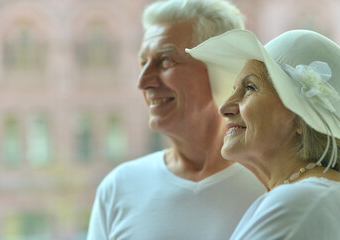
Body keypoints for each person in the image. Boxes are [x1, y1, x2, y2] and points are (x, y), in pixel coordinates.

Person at [86, 1, 265, 239]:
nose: (143, 82)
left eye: (166, 61)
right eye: (143, 62)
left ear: (221, 68)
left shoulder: (272, 185)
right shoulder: (119, 188)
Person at [187, 29, 340, 239]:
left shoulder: (298, 203)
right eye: (234, 89)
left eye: (249, 88)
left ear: (300, 118)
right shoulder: (322, 196)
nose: (224, 107)